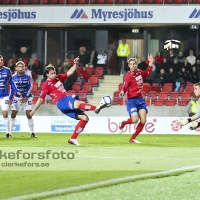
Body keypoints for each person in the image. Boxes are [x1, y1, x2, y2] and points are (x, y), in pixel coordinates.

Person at [29, 57, 107, 146]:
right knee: (77, 103)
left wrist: (76, 64)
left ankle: (73, 138)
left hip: (65, 104)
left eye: (54, 72)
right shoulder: (46, 85)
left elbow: (70, 72)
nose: (54, 74)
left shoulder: (58, 78)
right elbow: (40, 99)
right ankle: (96, 107)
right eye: (52, 73)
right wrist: (33, 110)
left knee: (85, 118)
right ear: (47, 74)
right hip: (62, 101)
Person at [118, 54, 153, 143]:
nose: (133, 65)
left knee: (143, 120)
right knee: (135, 120)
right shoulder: (128, 75)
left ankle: (133, 138)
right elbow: (125, 86)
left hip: (140, 100)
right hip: (132, 100)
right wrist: (122, 91)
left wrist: (151, 63)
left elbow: (147, 73)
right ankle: (123, 123)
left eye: (134, 64)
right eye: (131, 64)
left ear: (136, 64)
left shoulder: (139, 72)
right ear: (129, 65)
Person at [9, 61, 37, 138]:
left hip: (27, 97)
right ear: (16, 68)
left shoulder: (28, 75)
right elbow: (12, 88)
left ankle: (32, 133)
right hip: (17, 97)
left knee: (29, 114)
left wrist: (26, 97)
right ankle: (9, 133)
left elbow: (30, 86)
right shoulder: (13, 77)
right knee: (13, 114)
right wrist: (10, 98)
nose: (21, 68)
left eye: (22, 66)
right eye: (20, 66)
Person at [0, 55, 13, 138]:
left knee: (5, 113)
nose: (0, 61)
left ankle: (8, 133)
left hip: (4, 95)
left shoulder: (7, 70)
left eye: (1, 60)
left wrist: (11, 97)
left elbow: (11, 83)